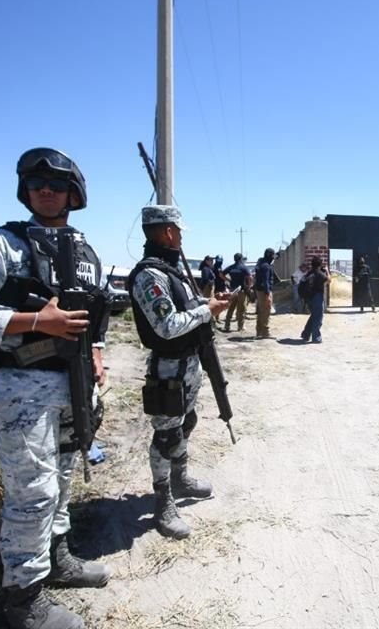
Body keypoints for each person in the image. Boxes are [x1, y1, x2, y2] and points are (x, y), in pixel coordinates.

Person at [0, 147, 111, 629]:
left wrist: (97, 353)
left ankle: (57, 559)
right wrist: (37, 320)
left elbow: (93, 316)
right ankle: (23, 601)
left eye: (56, 185)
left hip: (72, 386)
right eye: (36, 183)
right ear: (24, 190)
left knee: (59, 483)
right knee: (32, 494)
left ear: (73, 194)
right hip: (22, 389)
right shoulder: (1, 245)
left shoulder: (85, 251)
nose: (46, 190)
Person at [126, 206, 230, 540]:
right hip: (168, 367)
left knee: (187, 422)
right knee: (166, 436)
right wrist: (206, 311)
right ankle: (163, 501)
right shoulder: (150, 275)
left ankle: (180, 477)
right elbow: (167, 325)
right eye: (179, 231)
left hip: (188, 364)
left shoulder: (172, 271)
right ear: (168, 232)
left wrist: (207, 305)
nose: (182, 237)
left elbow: (185, 309)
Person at [300, 256, 330, 343]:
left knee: (314, 316)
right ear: (320, 265)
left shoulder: (309, 273)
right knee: (318, 318)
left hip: (308, 297)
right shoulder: (319, 273)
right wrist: (327, 271)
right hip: (317, 297)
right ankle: (316, 337)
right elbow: (329, 280)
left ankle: (306, 334)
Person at [222, 252, 252, 332]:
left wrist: (228, 280)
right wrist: (249, 286)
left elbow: (221, 274)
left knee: (231, 308)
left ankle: (227, 326)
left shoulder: (231, 267)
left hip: (232, 290)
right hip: (241, 290)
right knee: (241, 309)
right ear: (241, 259)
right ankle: (240, 326)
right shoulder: (243, 268)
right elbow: (250, 277)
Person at [254, 248, 276, 339]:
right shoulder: (266, 266)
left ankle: (259, 331)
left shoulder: (261, 263)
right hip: (264, 291)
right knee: (266, 311)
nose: (274, 257)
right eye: (273, 255)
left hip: (259, 290)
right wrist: (267, 294)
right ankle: (265, 332)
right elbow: (266, 280)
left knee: (261, 311)